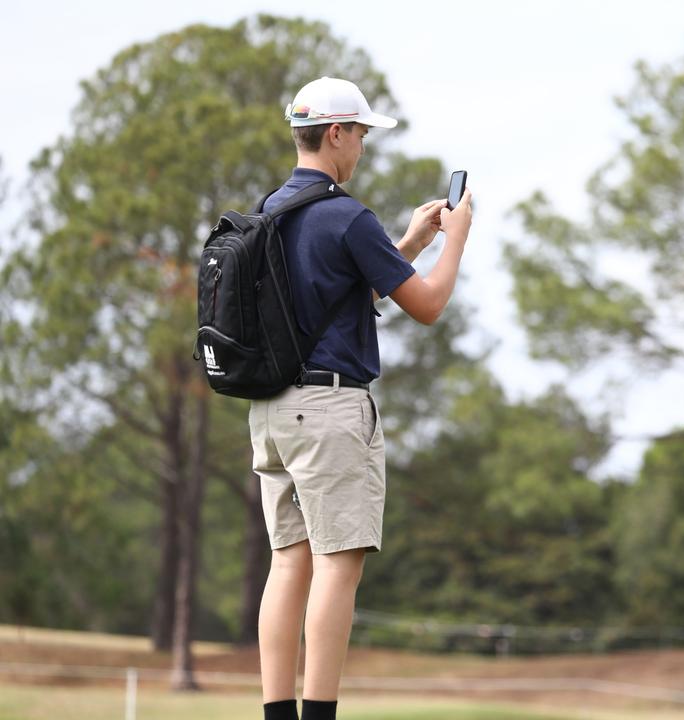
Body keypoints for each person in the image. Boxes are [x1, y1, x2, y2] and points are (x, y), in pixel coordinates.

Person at [250, 76, 473, 720]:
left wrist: (410, 244)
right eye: (363, 135)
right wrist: (455, 238)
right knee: (337, 567)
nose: (364, 149)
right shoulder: (346, 215)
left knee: (287, 565)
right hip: (330, 412)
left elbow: (339, 299)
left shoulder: (270, 211)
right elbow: (426, 306)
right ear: (338, 132)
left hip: (271, 412)